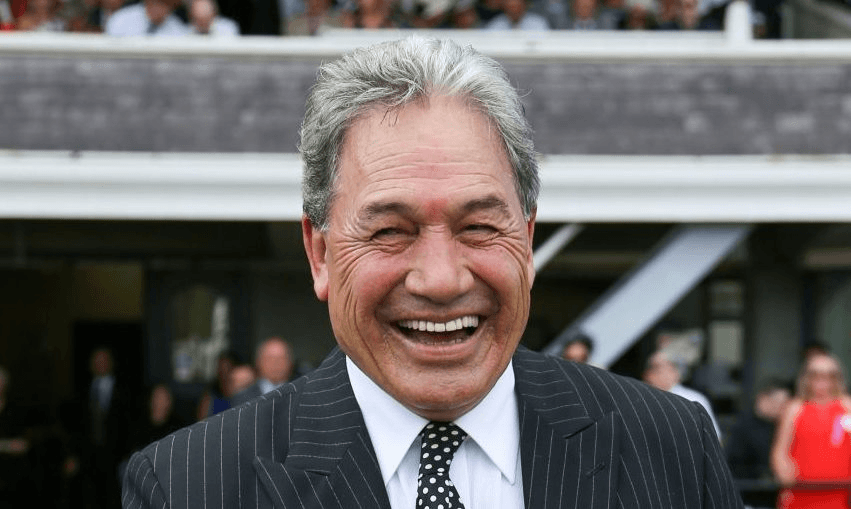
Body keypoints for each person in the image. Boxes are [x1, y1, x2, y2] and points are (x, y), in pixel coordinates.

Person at [122, 37, 743, 509]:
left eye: (479, 227)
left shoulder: (672, 447)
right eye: (391, 231)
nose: (441, 280)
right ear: (320, 254)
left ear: (526, 241)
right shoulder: (189, 485)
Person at [771, 351, 851, 509]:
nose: (822, 381)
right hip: (800, 494)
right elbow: (780, 451)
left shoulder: (847, 407)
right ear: (806, 377)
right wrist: (784, 473)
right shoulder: (794, 408)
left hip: (841, 496)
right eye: (815, 375)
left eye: (830, 375)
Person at [643, 348, 723, 439]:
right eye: (648, 368)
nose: (648, 374)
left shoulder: (693, 399)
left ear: (674, 372)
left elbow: (714, 437)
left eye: (656, 368)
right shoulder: (643, 399)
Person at [229, 337, 294, 406]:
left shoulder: (300, 395)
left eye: (281, 358)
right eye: (270, 358)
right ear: (258, 362)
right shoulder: (242, 399)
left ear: (290, 363)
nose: (275, 363)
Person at [105, 0, 188, 35]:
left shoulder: (178, 30)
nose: (158, 8)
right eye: (155, 2)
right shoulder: (121, 18)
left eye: (164, 4)